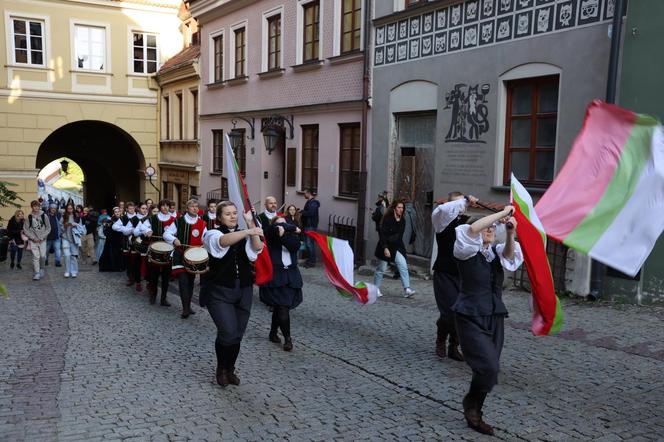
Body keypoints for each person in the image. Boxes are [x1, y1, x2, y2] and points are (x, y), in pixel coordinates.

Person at [453, 206, 523, 435]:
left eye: (494, 228)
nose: (491, 230)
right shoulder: (466, 250)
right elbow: (473, 228)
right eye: (488, 227)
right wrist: (502, 213)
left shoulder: (495, 254)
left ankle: (474, 407)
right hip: (470, 316)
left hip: (494, 316)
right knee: (488, 366)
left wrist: (510, 231)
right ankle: (471, 406)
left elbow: (510, 256)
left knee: (489, 370)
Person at [201, 201, 263, 387]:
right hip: (219, 291)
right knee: (227, 332)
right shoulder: (212, 233)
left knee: (237, 334)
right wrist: (247, 231)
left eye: (235, 213)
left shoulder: (245, 234)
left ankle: (230, 369)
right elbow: (223, 242)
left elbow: (257, 248)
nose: (232, 216)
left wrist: (250, 224)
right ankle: (221, 368)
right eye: (227, 214)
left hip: (243, 290)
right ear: (219, 217)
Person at [431, 192, 478, 361]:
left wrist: (501, 218)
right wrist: (464, 200)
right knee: (449, 313)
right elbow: (443, 210)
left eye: (463, 205)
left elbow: (482, 228)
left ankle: (454, 345)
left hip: (463, 274)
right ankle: (441, 337)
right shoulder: (441, 221)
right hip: (444, 273)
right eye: (457, 204)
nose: (461, 207)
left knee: (463, 313)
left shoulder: (467, 221)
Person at [259, 215, 303, 351]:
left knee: (280, 307)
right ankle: (288, 339)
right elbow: (271, 230)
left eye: (284, 223)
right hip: (276, 277)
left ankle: (273, 332)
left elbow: (294, 247)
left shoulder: (292, 238)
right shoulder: (270, 236)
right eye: (278, 223)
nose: (281, 226)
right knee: (282, 307)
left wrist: (286, 233)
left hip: (291, 276)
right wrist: (290, 228)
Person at [164, 199, 207, 318]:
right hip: (180, 256)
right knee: (183, 282)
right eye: (192, 206)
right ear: (187, 209)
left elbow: (205, 238)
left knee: (191, 282)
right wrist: (174, 239)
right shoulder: (178, 221)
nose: (195, 208)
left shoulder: (202, 223)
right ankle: (185, 308)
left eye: (196, 206)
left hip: (194, 258)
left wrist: (205, 244)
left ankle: (188, 305)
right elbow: (166, 234)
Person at [373, 200, 415, 298]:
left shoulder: (403, 220)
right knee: (381, 269)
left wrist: (401, 249)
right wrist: (385, 248)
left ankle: (407, 289)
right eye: (399, 207)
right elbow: (382, 235)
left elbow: (399, 237)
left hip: (396, 247)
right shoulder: (387, 219)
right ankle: (375, 289)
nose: (401, 210)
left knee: (403, 265)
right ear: (394, 208)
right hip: (385, 246)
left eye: (402, 208)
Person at [139, 199, 176, 306]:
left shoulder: (174, 220)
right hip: (154, 251)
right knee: (153, 275)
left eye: (167, 206)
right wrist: (147, 231)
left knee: (166, 276)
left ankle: (164, 298)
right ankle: (153, 295)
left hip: (168, 252)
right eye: (163, 206)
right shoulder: (153, 218)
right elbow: (142, 226)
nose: (165, 208)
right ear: (160, 207)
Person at [23, 200, 51, 281]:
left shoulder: (44, 216)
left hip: (42, 240)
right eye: (34, 206)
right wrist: (33, 238)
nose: (36, 208)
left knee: (43, 256)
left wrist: (42, 237)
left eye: (38, 206)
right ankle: (37, 273)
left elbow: (48, 228)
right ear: (32, 207)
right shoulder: (29, 217)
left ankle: (42, 268)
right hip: (33, 240)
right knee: (36, 257)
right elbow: (26, 229)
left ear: (39, 207)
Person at [118, 202, 139, 285]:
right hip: (126, 241)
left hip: (135, 241)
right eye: (130, 208)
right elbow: (115, 226)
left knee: (135, 261)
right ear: (126, 209)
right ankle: (130, 278)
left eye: (133, 208)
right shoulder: (124, 217)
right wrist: (125, 230)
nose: (132, 210)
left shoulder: (137, 217)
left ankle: (136, 278)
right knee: (128, 261)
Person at [60, 203, 82, 278]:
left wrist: (76, 225)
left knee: (73, 256)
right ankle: (67, 271)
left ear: (73, 209)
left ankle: (73, 271)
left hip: (74, 238)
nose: (70, 210)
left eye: (71, 208)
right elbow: (60, 228)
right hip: (65, 238)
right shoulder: (63, 217)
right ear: (66, 209)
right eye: (68, 209)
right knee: (66, 255)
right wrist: (65, 226)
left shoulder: (77, 216)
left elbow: (81, 227)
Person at [100, 207, 125, 272]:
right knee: (111, 254)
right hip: (111, 240)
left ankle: (120, 267)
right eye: (116, 212)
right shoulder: (110, 220)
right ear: (114, 213)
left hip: (120, 240)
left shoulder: (123, 219)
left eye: (118, 212)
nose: (117, 213)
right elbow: (106, 230)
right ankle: (113, 267)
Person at [300, 189, 320, 268]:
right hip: (307, 226)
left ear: (309, 193)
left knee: (309, 244)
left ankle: (312, 262)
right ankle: (309, 260)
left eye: (305, 193)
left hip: (310, 226)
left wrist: (302, 212)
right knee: (307, 244)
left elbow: (310, 213)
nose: (304, 195)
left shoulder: (314, 203)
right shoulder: (309, 202)